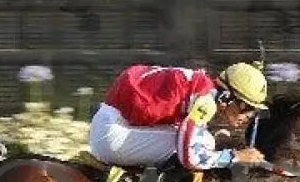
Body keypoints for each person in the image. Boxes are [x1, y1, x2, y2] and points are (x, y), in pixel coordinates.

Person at [90, 62, 268, 172]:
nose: (247, 116)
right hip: (112, 137)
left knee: (204, 139)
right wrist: (235, 157)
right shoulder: (206, 101)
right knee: (205, 143)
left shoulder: (202, 87)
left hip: (111, 123)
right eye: (247, 108)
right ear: (228, 97)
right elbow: (190, 157)